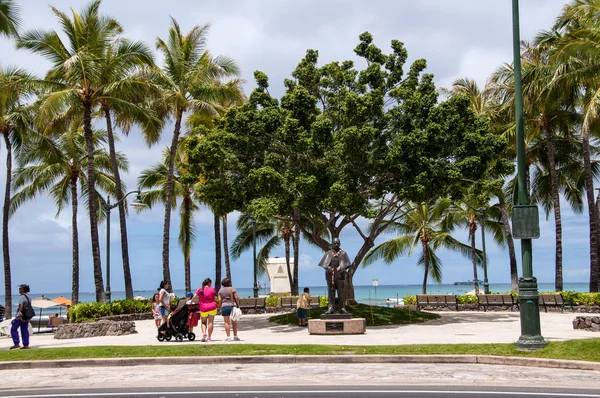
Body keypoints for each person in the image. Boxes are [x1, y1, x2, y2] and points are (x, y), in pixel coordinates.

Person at [318, 237, 351, 314]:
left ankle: (342, 308)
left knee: (341, 293)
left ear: (340, 244)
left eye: (337, 243)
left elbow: (346, 264)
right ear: (332, 244)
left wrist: (339, 270)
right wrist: (331, 269)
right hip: (330, 276)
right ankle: (331, 308)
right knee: (331, 292)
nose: (336, 244)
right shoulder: (328, 253)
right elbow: (325, 265)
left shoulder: (343, 253)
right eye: (334, 243)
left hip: (340, 276)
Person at [193, 278, 217, 342]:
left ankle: (204, 333)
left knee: (203, 322)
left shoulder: (200, 289)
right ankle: (209, 337)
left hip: (203, 308)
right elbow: (214, 297)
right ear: (209, 283)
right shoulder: (212, 289)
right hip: (212, 307)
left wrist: (191, 301)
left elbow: (194, 297)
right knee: (211, 322)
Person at [11, 284, 34, 349]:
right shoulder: (28, 296)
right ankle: (26, 344)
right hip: (26, 316)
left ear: (23, 289)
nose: (19, 290)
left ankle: (16, 343)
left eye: (20, 289)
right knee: (24, 330)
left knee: (13, 329)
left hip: (20, 316)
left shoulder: (21, 297)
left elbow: (21, 307)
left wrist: (20, 315)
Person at [218, 277, 240, 342]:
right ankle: (235, 336)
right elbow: (236, 297)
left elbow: (219, 299)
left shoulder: (220, 290)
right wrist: (238, 305)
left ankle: (228, 337)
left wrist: (219, 305)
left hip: (224, 306)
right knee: (234, 322)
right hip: (232, 306)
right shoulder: (232, 289)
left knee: (226, 322)